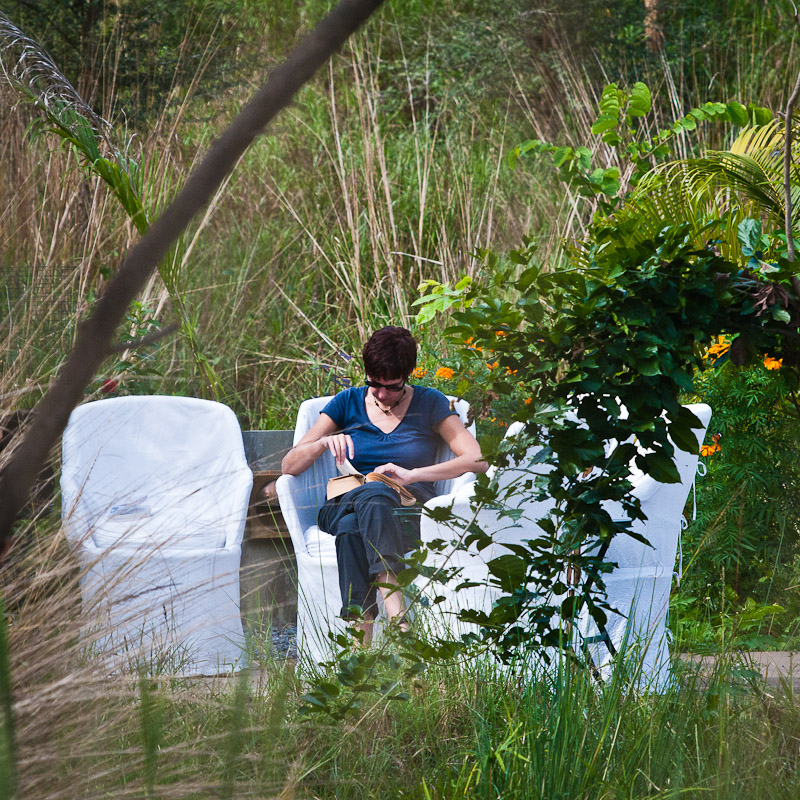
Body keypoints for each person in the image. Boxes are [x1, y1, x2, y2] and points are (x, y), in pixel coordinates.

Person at [281, 326, 487, 641]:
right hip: (344, 499)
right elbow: (289, 464)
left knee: (352, 528)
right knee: (372, 493)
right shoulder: (347, 402)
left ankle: (358, 652)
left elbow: (477, 459)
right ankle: (398, 617)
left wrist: (412, 475)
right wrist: (323, 444)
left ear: (407, 376)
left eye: (390, 387)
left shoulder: (430, 403)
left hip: (406, 508)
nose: (379, 394)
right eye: (373, 383)